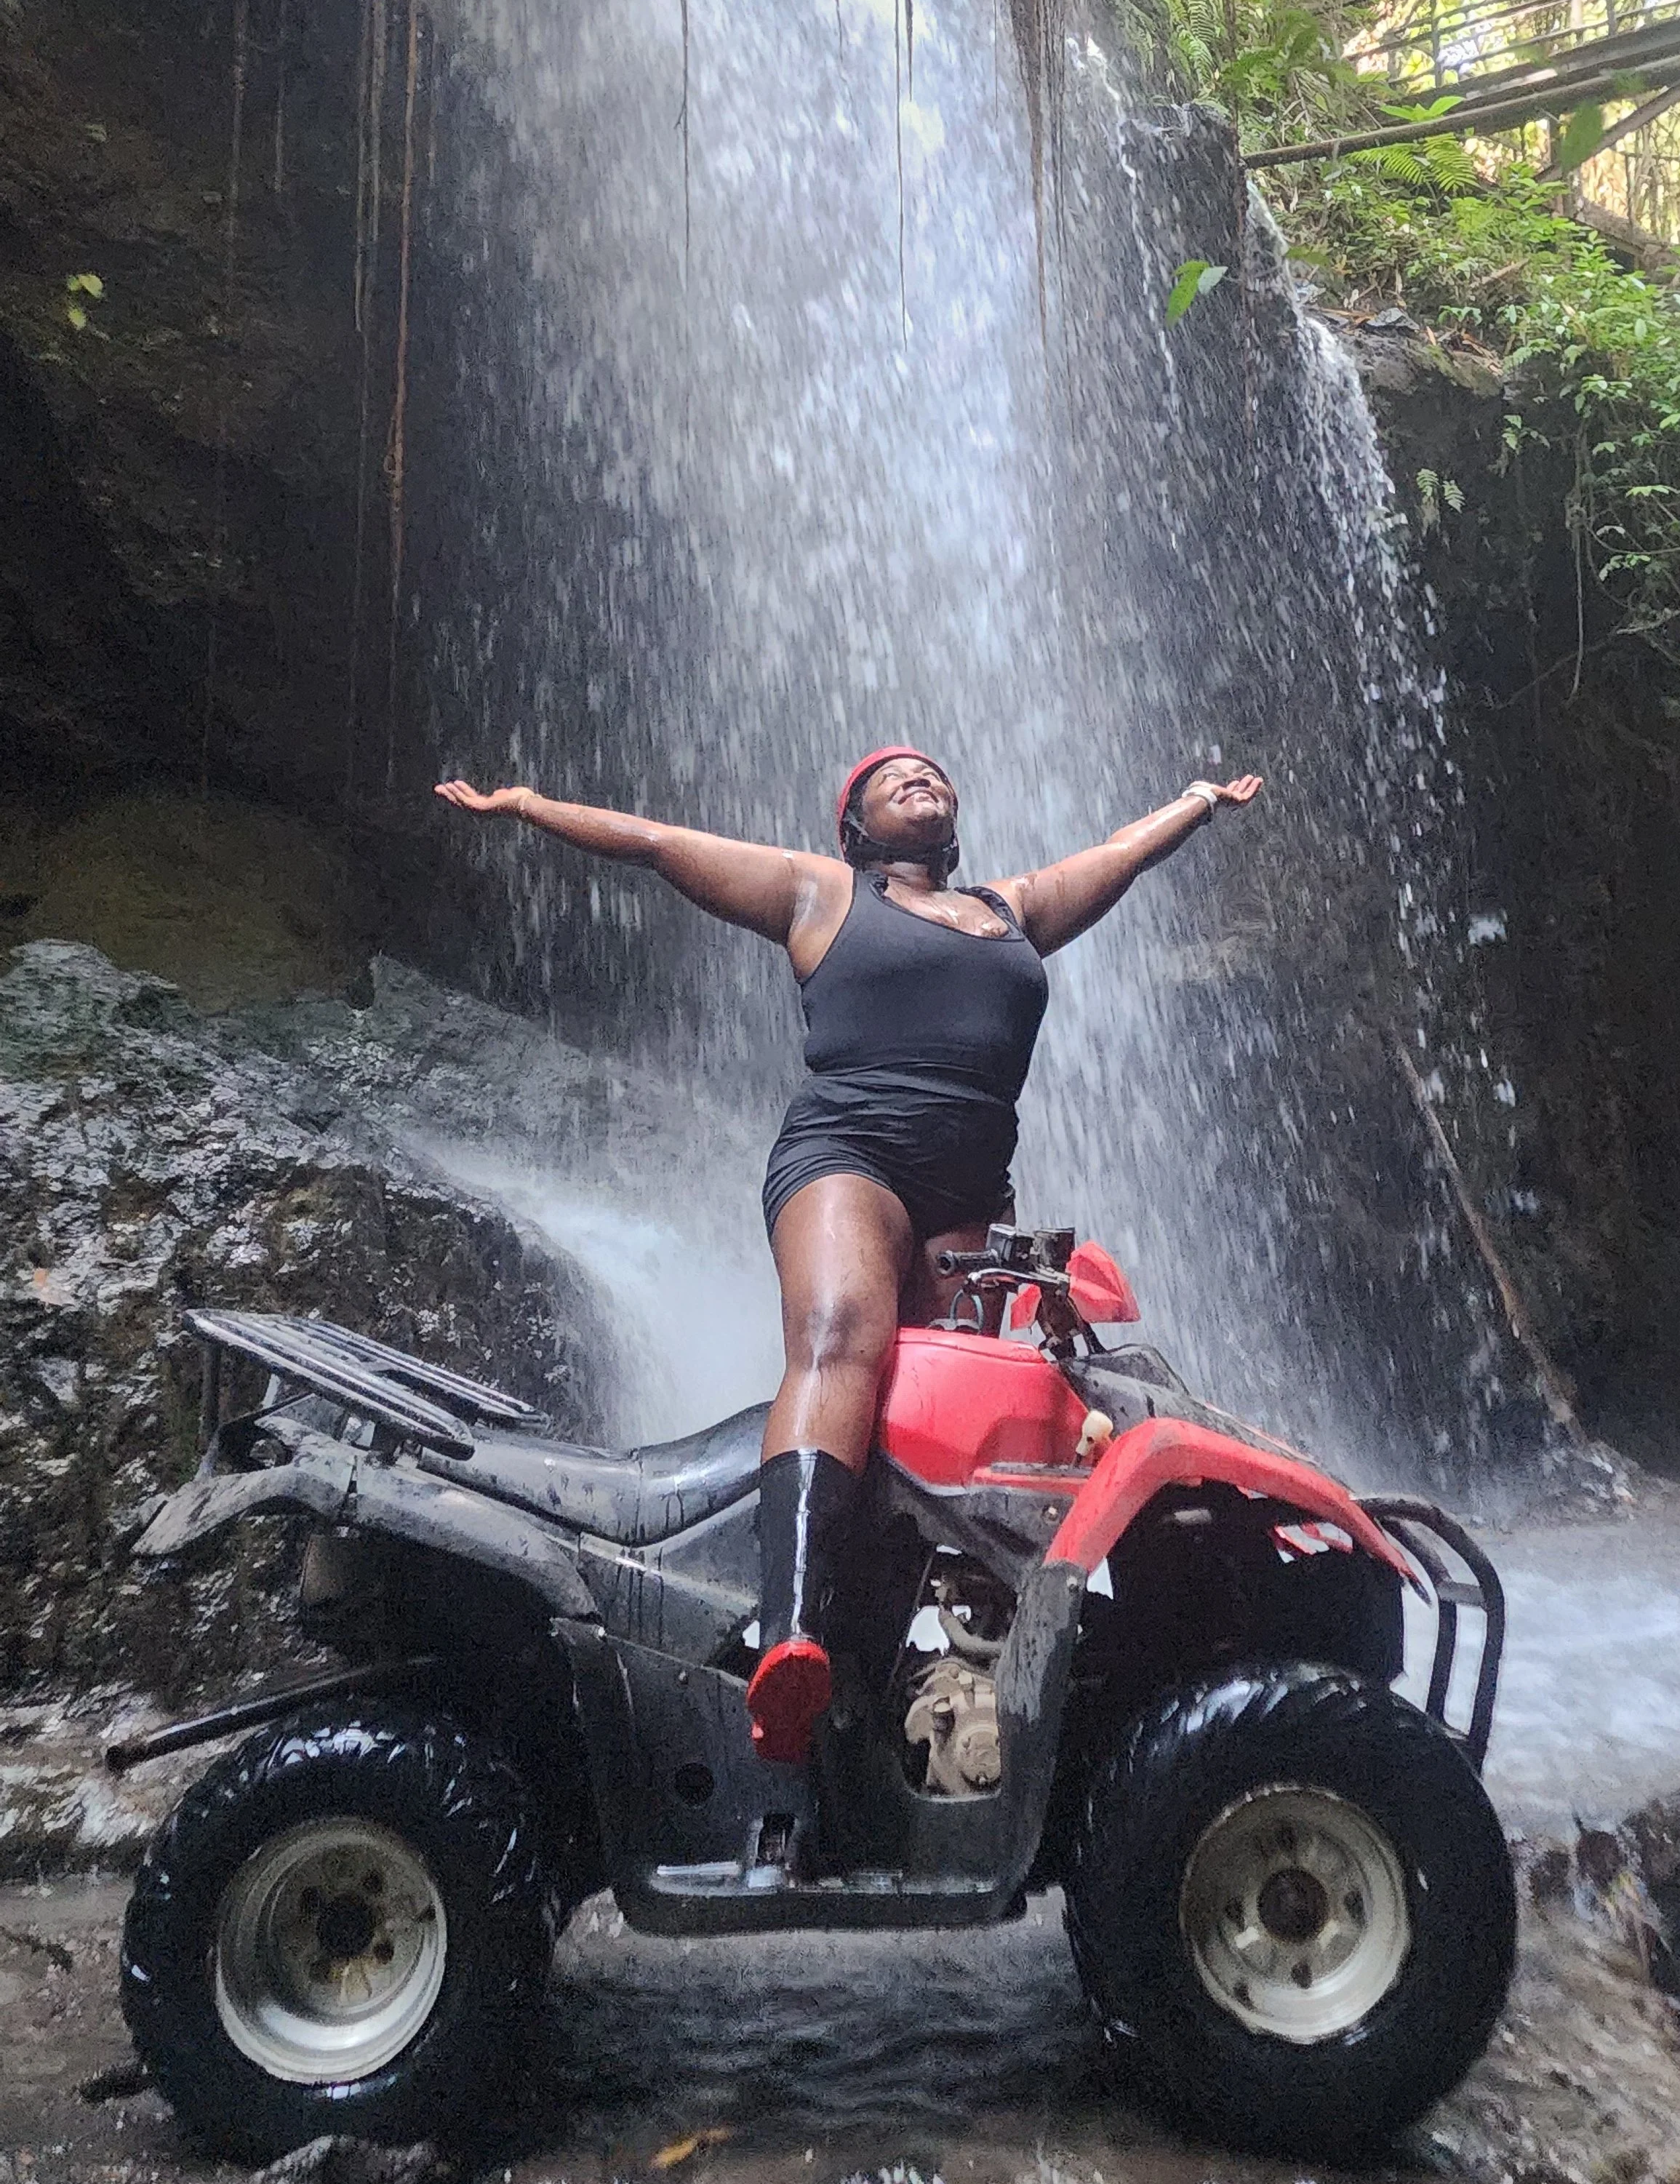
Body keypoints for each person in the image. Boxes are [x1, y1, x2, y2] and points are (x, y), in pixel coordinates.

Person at [436, 745, 1263, 1760]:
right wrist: (524, 805)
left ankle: (887, 1689)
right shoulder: (819, 894)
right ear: (855, 825)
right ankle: (785, 1637)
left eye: (934, 772)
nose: (920, 776)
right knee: (841, 1340)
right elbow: (655, 846)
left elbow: (1119, 857)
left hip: (969, 1194)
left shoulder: (1014, 912)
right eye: (892, 775)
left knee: (940, 1433)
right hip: (847, 1155)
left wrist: (1195, 802)